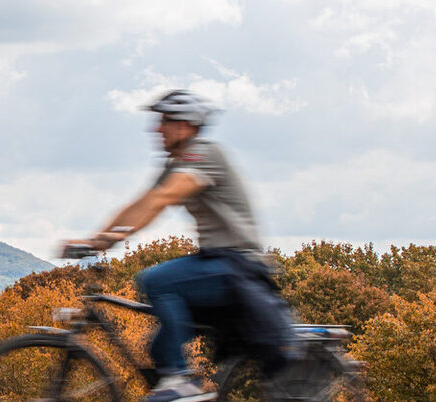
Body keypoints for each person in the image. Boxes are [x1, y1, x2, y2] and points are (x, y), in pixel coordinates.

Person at [65, 90, 296, 402]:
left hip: (237, 264)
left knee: (155, 280)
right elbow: (141, 203)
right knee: (157, 347)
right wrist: (95, 239)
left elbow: (162, 199)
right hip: (217, 263)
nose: (157, 129)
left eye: (165, 121)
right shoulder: (178, 162)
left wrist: (108, 240)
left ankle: (179, 381)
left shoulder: (203, 154)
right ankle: (178, 384)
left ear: (187, 125)